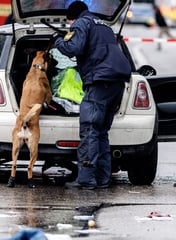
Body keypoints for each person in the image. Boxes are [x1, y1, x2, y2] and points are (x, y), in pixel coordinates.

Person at [53, 1, 131, 190]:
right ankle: (103, 179)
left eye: (69, 22)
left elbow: (74, 49)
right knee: (101, 132)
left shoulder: (81, 23)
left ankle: (86, 180)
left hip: (100, 82)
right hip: (116, 83)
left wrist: (59, 41)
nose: (71, 25)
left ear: (72, 17)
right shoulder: (103, 25)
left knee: (89, 129)